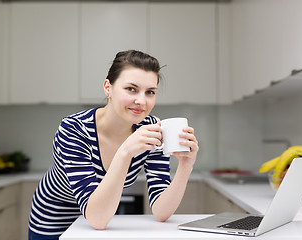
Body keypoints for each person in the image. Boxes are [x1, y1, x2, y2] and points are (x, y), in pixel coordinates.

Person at [28, 50, 199, 239]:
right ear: (108, 88)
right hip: (55, 220)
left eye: (150, 92)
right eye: (131, 89)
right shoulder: (74, 129)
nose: (141, 101)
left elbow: (161, 211)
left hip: (103, 217)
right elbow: (96, 218)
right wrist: (125, 151)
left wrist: (185, 167)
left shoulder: (152, 129)